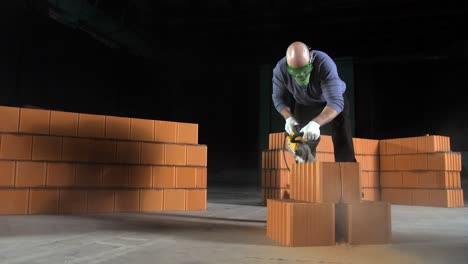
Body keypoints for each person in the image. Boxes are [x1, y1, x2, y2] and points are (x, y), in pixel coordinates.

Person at [272, 41, 356, 162]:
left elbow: (335, 102)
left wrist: (316, 123)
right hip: (303, 102)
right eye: (295, 72)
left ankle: (346, 167)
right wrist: (288, 118)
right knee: (299, 137)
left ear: (310, 59)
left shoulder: (323, 63)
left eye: (305, 70)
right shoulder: (280, 70)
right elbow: (278, 98)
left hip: (331, 101)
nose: (301, 76)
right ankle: (305, 166)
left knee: (342, 134)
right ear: (288, 67)